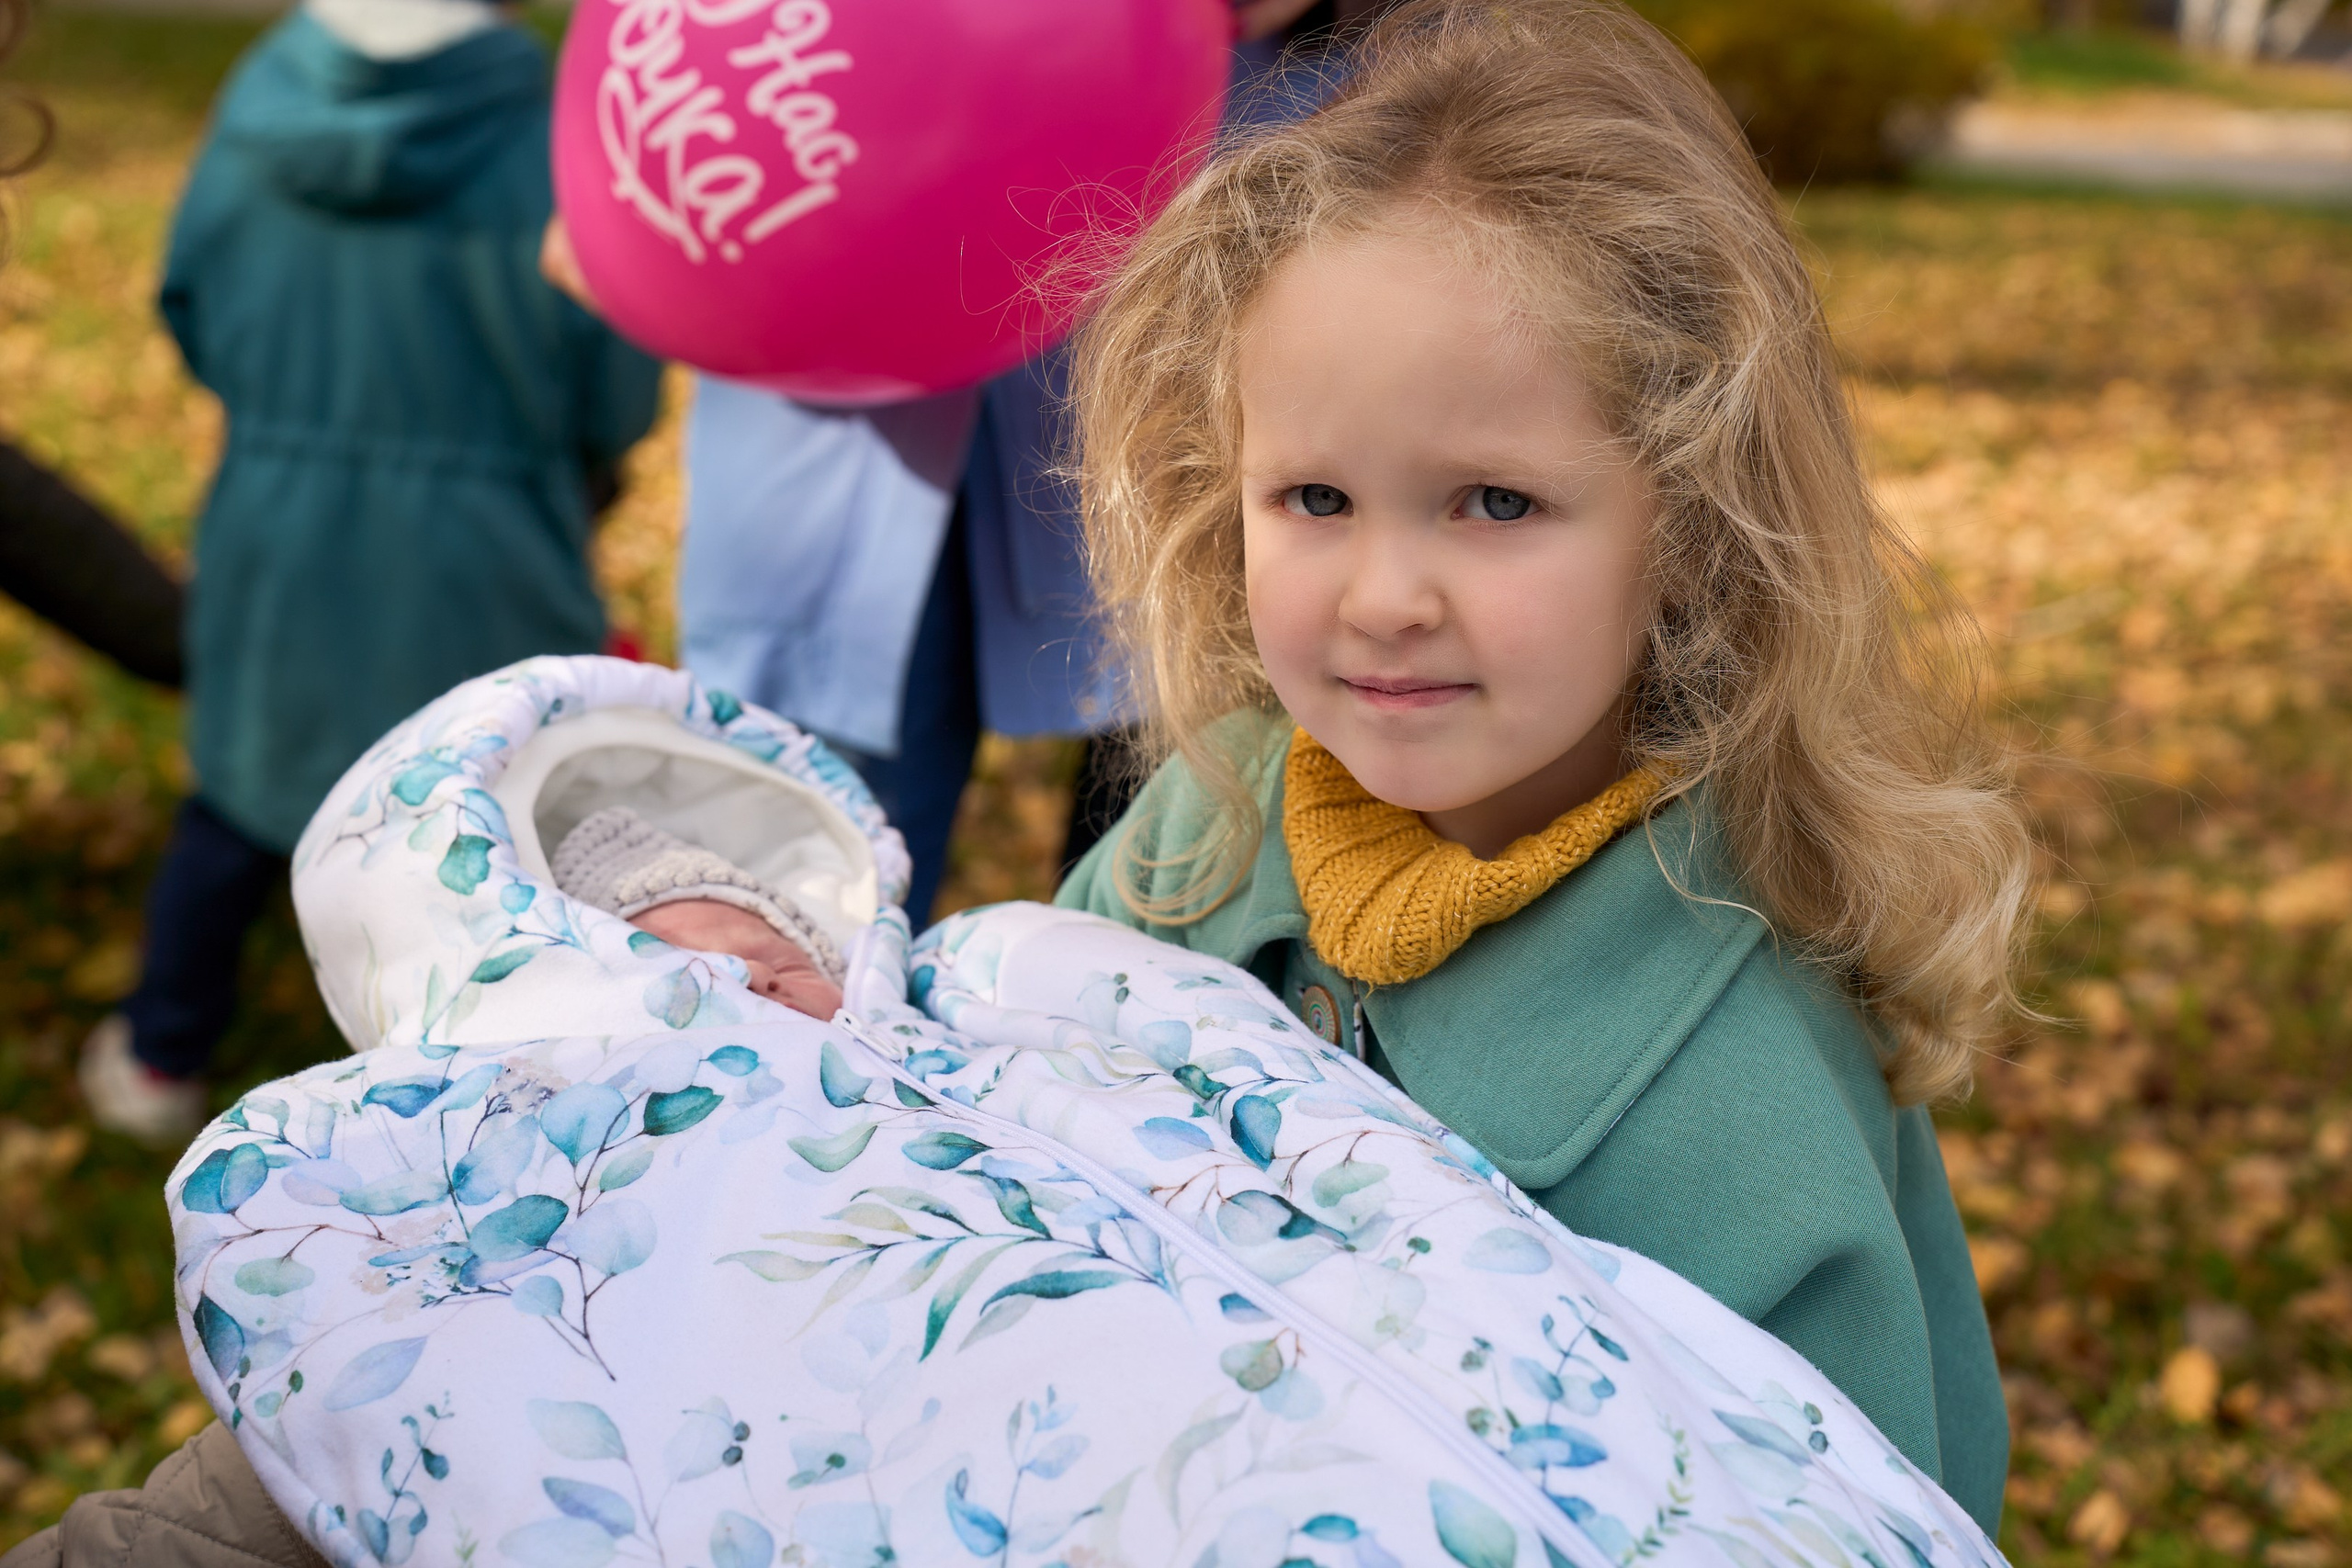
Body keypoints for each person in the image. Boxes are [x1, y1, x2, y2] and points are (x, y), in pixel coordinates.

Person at [1054, 0, 2027, 1533]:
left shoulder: (1739, 1105)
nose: (1383, 592)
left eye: (1494, 504)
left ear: (1692, 521)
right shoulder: (1206, 827)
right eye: (1314, 494)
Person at [76, 0, 663, 1146]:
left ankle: (163, 1050)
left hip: (278, 533)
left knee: (247, 793)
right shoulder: (558, 131)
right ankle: (489, 1091)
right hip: (490, 549)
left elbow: (189, 297)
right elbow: (614, 372)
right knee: (485, 815)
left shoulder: (261, 97)